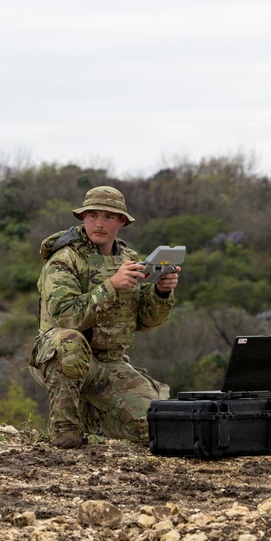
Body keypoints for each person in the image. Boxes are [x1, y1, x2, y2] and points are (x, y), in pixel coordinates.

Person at [29, 186, 180, 448]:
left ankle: (93, 415)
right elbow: (65, 317)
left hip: (109, 364)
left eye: (108, 217)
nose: (99, 224)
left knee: (155, 426)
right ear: (83, 218)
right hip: (61, 358)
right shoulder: (64, 259)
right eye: (92, 216)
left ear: (121, 221)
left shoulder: (129, 259)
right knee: (69, 341)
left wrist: (161, 292)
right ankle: (65, 428)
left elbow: (145, 321)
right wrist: (111, 286)